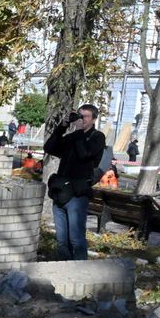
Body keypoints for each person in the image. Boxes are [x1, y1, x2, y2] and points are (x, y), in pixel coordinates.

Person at [43, 104, 107, 261]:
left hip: (77, 196)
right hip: (61, 193)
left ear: (93, 119)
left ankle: (80, 273)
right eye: (79, 116)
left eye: (85, 116)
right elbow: (49, 147)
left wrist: (78, 133)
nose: (81, 119)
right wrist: (62, 127)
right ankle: (64, 270)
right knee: (61, 241)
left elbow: (85, 155)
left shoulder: (97, 137)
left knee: (76, 240)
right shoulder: (72, 137)